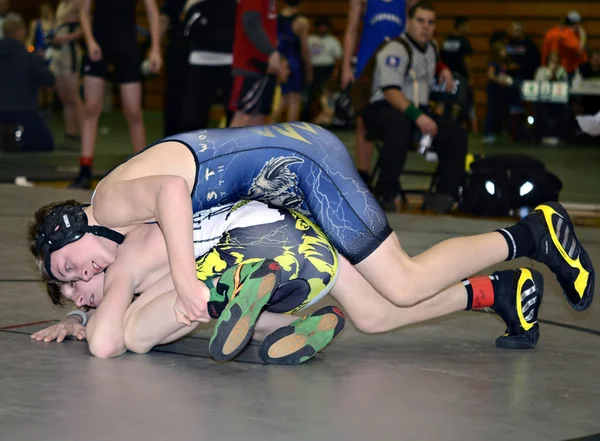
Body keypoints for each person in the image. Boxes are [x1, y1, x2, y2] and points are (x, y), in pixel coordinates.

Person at [29, 117, 595, 359]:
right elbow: (122, 281)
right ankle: (498, 290)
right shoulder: (116, 233)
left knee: (401, 280)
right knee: (374, 313)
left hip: (299, 167)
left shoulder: (107, 202)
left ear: (71, 229)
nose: (80, 277)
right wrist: (80, 317)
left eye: (69, 268)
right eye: (73, 283)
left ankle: (531, 232)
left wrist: (182, 282)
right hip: (274, 198)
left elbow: (174, 194)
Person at [32, 200, 345, 364]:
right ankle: (299, 328)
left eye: (72, 280)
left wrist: (89, 323)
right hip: (307, 253)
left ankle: (225, 287)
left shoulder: (124, 259)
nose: (81, 289)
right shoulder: (135, 234)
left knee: (136, 336)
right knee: (239, 318)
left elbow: (104, 344)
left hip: (250, 243)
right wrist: (78, 317)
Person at [360, 2, 467, 214]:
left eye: (430, 22)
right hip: (384, 109)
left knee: (456, 133)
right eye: (420, 21)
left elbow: (431, 60)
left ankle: (445, 195)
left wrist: (444, 68)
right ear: (408, 22)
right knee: (399, 126)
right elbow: (391, 93)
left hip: (416, 111)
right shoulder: (395, 49)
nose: (425, 27)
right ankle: (386, 193)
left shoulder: (432, 47)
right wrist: (418, 117)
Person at [71, 0, 162, 189]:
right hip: (99, 44)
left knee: (133, 111)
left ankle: (141, 171)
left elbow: (152, 11)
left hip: (127, 46)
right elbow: (84, 11)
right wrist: (89, 41)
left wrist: (155, 49)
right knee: (91, 108)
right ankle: (85, 170)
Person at [179, 0, 237, 132]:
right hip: (201, 63)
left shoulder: (235, 5)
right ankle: (193, 149)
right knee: (194, 117)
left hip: (229, 65)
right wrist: (189, 8)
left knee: (233, 114)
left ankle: (233, 151)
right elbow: (186, 32)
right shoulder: (196, 5)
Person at [0, 14, 55, 152]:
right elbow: (48, 79)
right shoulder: (28, 57)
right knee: (45, 143)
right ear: (19, 32)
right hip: (24, 113)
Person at [228, 0, 280, 128]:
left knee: (259, 118)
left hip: (265, 66)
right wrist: (270, 51)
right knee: (244, 116)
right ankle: (231, 149)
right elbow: (250, 23)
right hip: (251, 64)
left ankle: (255, 148)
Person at [48, 0, 84, 149]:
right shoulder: (62, 4)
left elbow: (85, 28)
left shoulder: (79, 3)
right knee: (64, 96)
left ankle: (84, 134)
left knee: (74, 95)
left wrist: (66, 38)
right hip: (58, 52)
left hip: (70, 51)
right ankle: (71, 134)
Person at [272, 0, 312, 123]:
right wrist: (309, 71)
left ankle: (268, 124)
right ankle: (292, 134)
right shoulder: (302, 22)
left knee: (284, 98)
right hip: (294, 63)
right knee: (294, 99)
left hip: (279, 61)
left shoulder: (276, 18)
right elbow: (305, 49)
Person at [440, 17, 475, 130]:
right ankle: (455, 124)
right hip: (461, 77)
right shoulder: (463, 41)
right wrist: (470, 77)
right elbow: (466, 61)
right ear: (461, 26)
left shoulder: (445, 41)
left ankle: (447, 124)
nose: (468, 29)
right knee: (463, 102)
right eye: (467, 26)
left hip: (447, 77)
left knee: (448, 102)